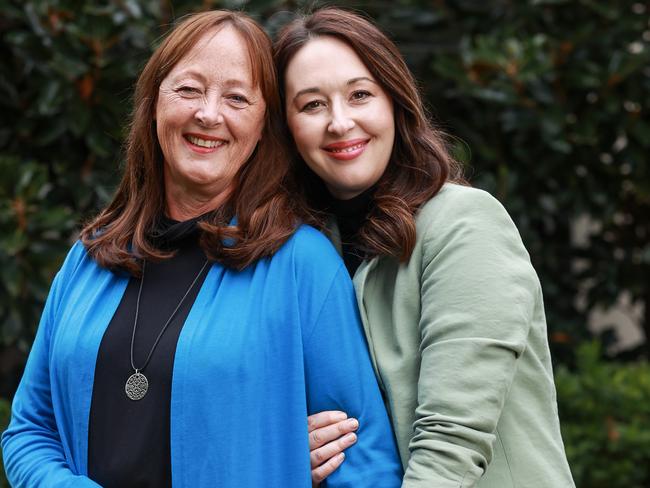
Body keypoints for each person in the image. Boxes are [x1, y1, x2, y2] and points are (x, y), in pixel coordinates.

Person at [1, 10, 403, 488]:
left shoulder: (302, 265)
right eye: (189, 89)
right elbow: (28, 430)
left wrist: (273, 458)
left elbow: (364, 465)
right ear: (153, 104)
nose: (209, 114)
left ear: (262, 127)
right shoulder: (88, 259)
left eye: (237, 98)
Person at [274, 7, 576, 487]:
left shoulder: (465, 223)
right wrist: (293, 454)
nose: (340, 122)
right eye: (312, 105)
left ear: (395, 102)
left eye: (360, 95)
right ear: (286, 128)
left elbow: (450, 443)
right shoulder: (306, 254)